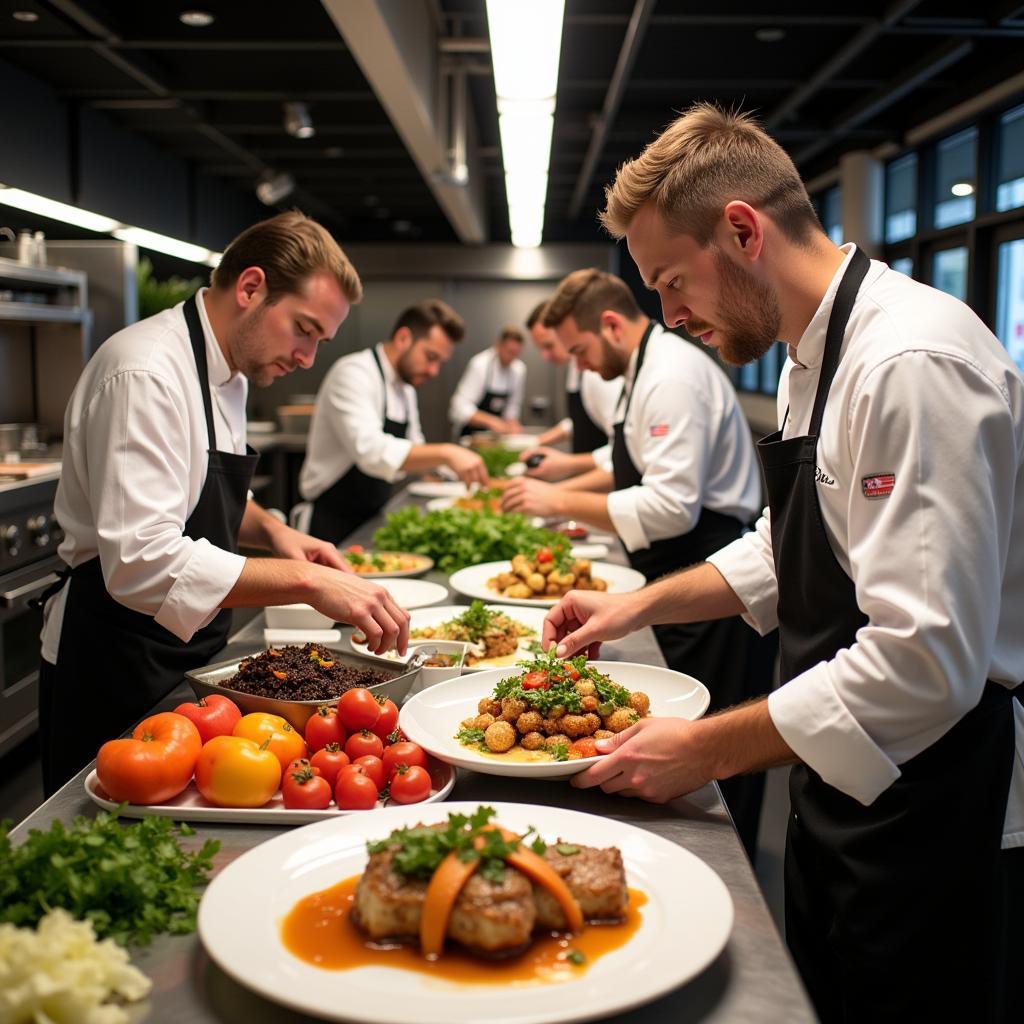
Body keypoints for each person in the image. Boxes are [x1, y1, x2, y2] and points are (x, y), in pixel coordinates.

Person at [541, 103, 1024, 1024]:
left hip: (939, 799)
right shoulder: (812, 355)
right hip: (844, 779)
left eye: (673, 282)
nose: (671, 317)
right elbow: (785, 545)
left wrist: (706, 748)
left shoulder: (911, 362)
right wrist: (628, 610)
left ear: (741, 230)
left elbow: (927, 663)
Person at [38, 211, 410, 795]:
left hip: (187, 651)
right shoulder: (146, 373)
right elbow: (142, 562)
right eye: (304, 330)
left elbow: (195, 488)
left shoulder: (227, 371)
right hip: (115, 658)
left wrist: (275, 532)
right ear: (251, 287)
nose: (308, 358)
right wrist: (308, 582)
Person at [503, 268, 777, 857]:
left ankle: (730, 865)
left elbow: (672, 506)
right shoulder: (640, 370)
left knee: (719, 744)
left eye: (578, 350)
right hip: (683, 569)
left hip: (714, 567)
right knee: (675, 739)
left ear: (609, 323)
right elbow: (630, 457)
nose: (577, 366)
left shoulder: (672, 375)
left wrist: (557, 499)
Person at [299, 300, 487, 543]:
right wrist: (448, 452)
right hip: (330, 524)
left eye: (440, 362)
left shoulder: (405, 388)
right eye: (431, 357)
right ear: (403, 338)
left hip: (372, 517)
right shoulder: (353, 373)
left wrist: (453, 470)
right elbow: (371, 451)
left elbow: (415, 446)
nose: (434, 371)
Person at [524, 299, 620, 476]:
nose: (545, 356)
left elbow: (622, 449)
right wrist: (536, 441)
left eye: (549, 346)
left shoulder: (595, 374)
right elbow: (582, 420)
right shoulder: (573, 369)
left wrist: (567, 464)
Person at [448, 325, 527, 436]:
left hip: (496, 438)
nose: (512, 357)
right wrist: (491, 421)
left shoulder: (519, 370)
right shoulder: (480, 364)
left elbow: (513, 405)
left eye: (516, 353)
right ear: (499, 345)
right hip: (470, 434)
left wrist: (512, 422)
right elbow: (458, 408)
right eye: (510, 352)